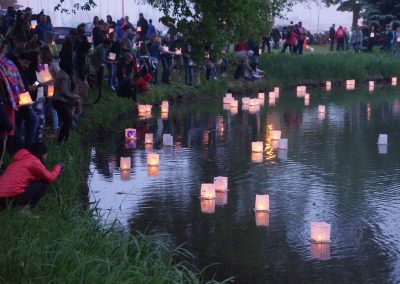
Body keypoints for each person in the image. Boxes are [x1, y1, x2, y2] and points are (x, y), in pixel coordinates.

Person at [0, 142, 62, 209]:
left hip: (1, 196)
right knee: (44, 183)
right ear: (42, 154)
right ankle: (27, 208)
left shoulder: (20, 159)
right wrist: (58, 167)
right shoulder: (34, 162)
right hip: (9, 198)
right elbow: (50, 177)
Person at [52, 60, 79, 143]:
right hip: (60, 100)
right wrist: (74, 96)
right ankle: (60, 141)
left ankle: (65, 138)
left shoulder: (61, 73)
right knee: (68, 121)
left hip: (58, 100)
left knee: (67, 120)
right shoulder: (65, 76)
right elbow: (64, 91)